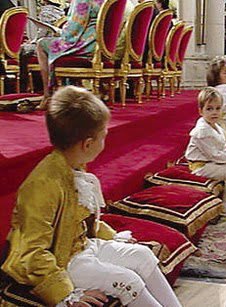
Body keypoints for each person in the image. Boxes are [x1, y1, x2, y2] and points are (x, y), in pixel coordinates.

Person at [1, 86, 182, 307]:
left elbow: (82, 221)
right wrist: (64, 294)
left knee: (143, 256)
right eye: (103, 136)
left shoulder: (74, 166)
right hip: (60, 261)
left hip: (83, 247)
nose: (105, 141)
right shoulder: (43, 184)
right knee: (127, 280)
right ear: (87, 144)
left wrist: (110, 236)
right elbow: (31, 251)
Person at [185, 87, 226, 216]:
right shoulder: (202, 131)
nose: (214, 112)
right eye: (209, 109)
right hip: (201, 166)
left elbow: (221, 150)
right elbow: (215, 156)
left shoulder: (215, 125)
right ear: (201, 111)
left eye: (217, 108)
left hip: (211, 161)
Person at [36, 0, 108, 110]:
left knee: (41, 44)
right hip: (102, 44)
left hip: (86, 43)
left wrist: (58, 31)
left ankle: (48, 96)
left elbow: (74, 28)